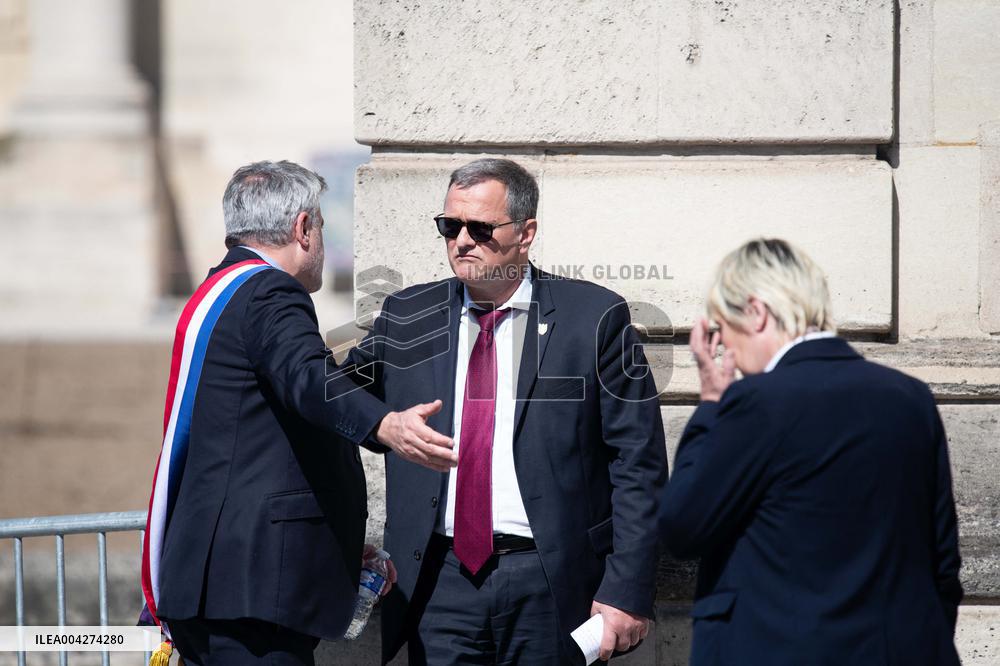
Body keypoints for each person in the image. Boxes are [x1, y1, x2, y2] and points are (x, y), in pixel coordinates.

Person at [342, 158, 668, 665]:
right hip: (437, 582)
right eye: (450, 227)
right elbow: (335, 396)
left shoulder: (594, 318)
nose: (461, 241)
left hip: (549, 580)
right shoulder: (408, 316)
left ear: (526, 232)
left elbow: (638, 464)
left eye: (480, 228)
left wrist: (628, 588)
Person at [139, 160, 458, 666]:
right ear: (303, 228)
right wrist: (384, 424)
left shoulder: (221, 289)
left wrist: (336, 540)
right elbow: (306, 377)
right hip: (253, 594)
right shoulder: (271, 292)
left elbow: (259, 440)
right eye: (323, 228)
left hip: (209, 581)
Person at [658, 238, 963, 665]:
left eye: (724, 332)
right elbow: (943, 565)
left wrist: (711, 402)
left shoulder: (759, 401)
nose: (729, 353)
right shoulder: (910, 397)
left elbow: (682, 526)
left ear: (757, 313)